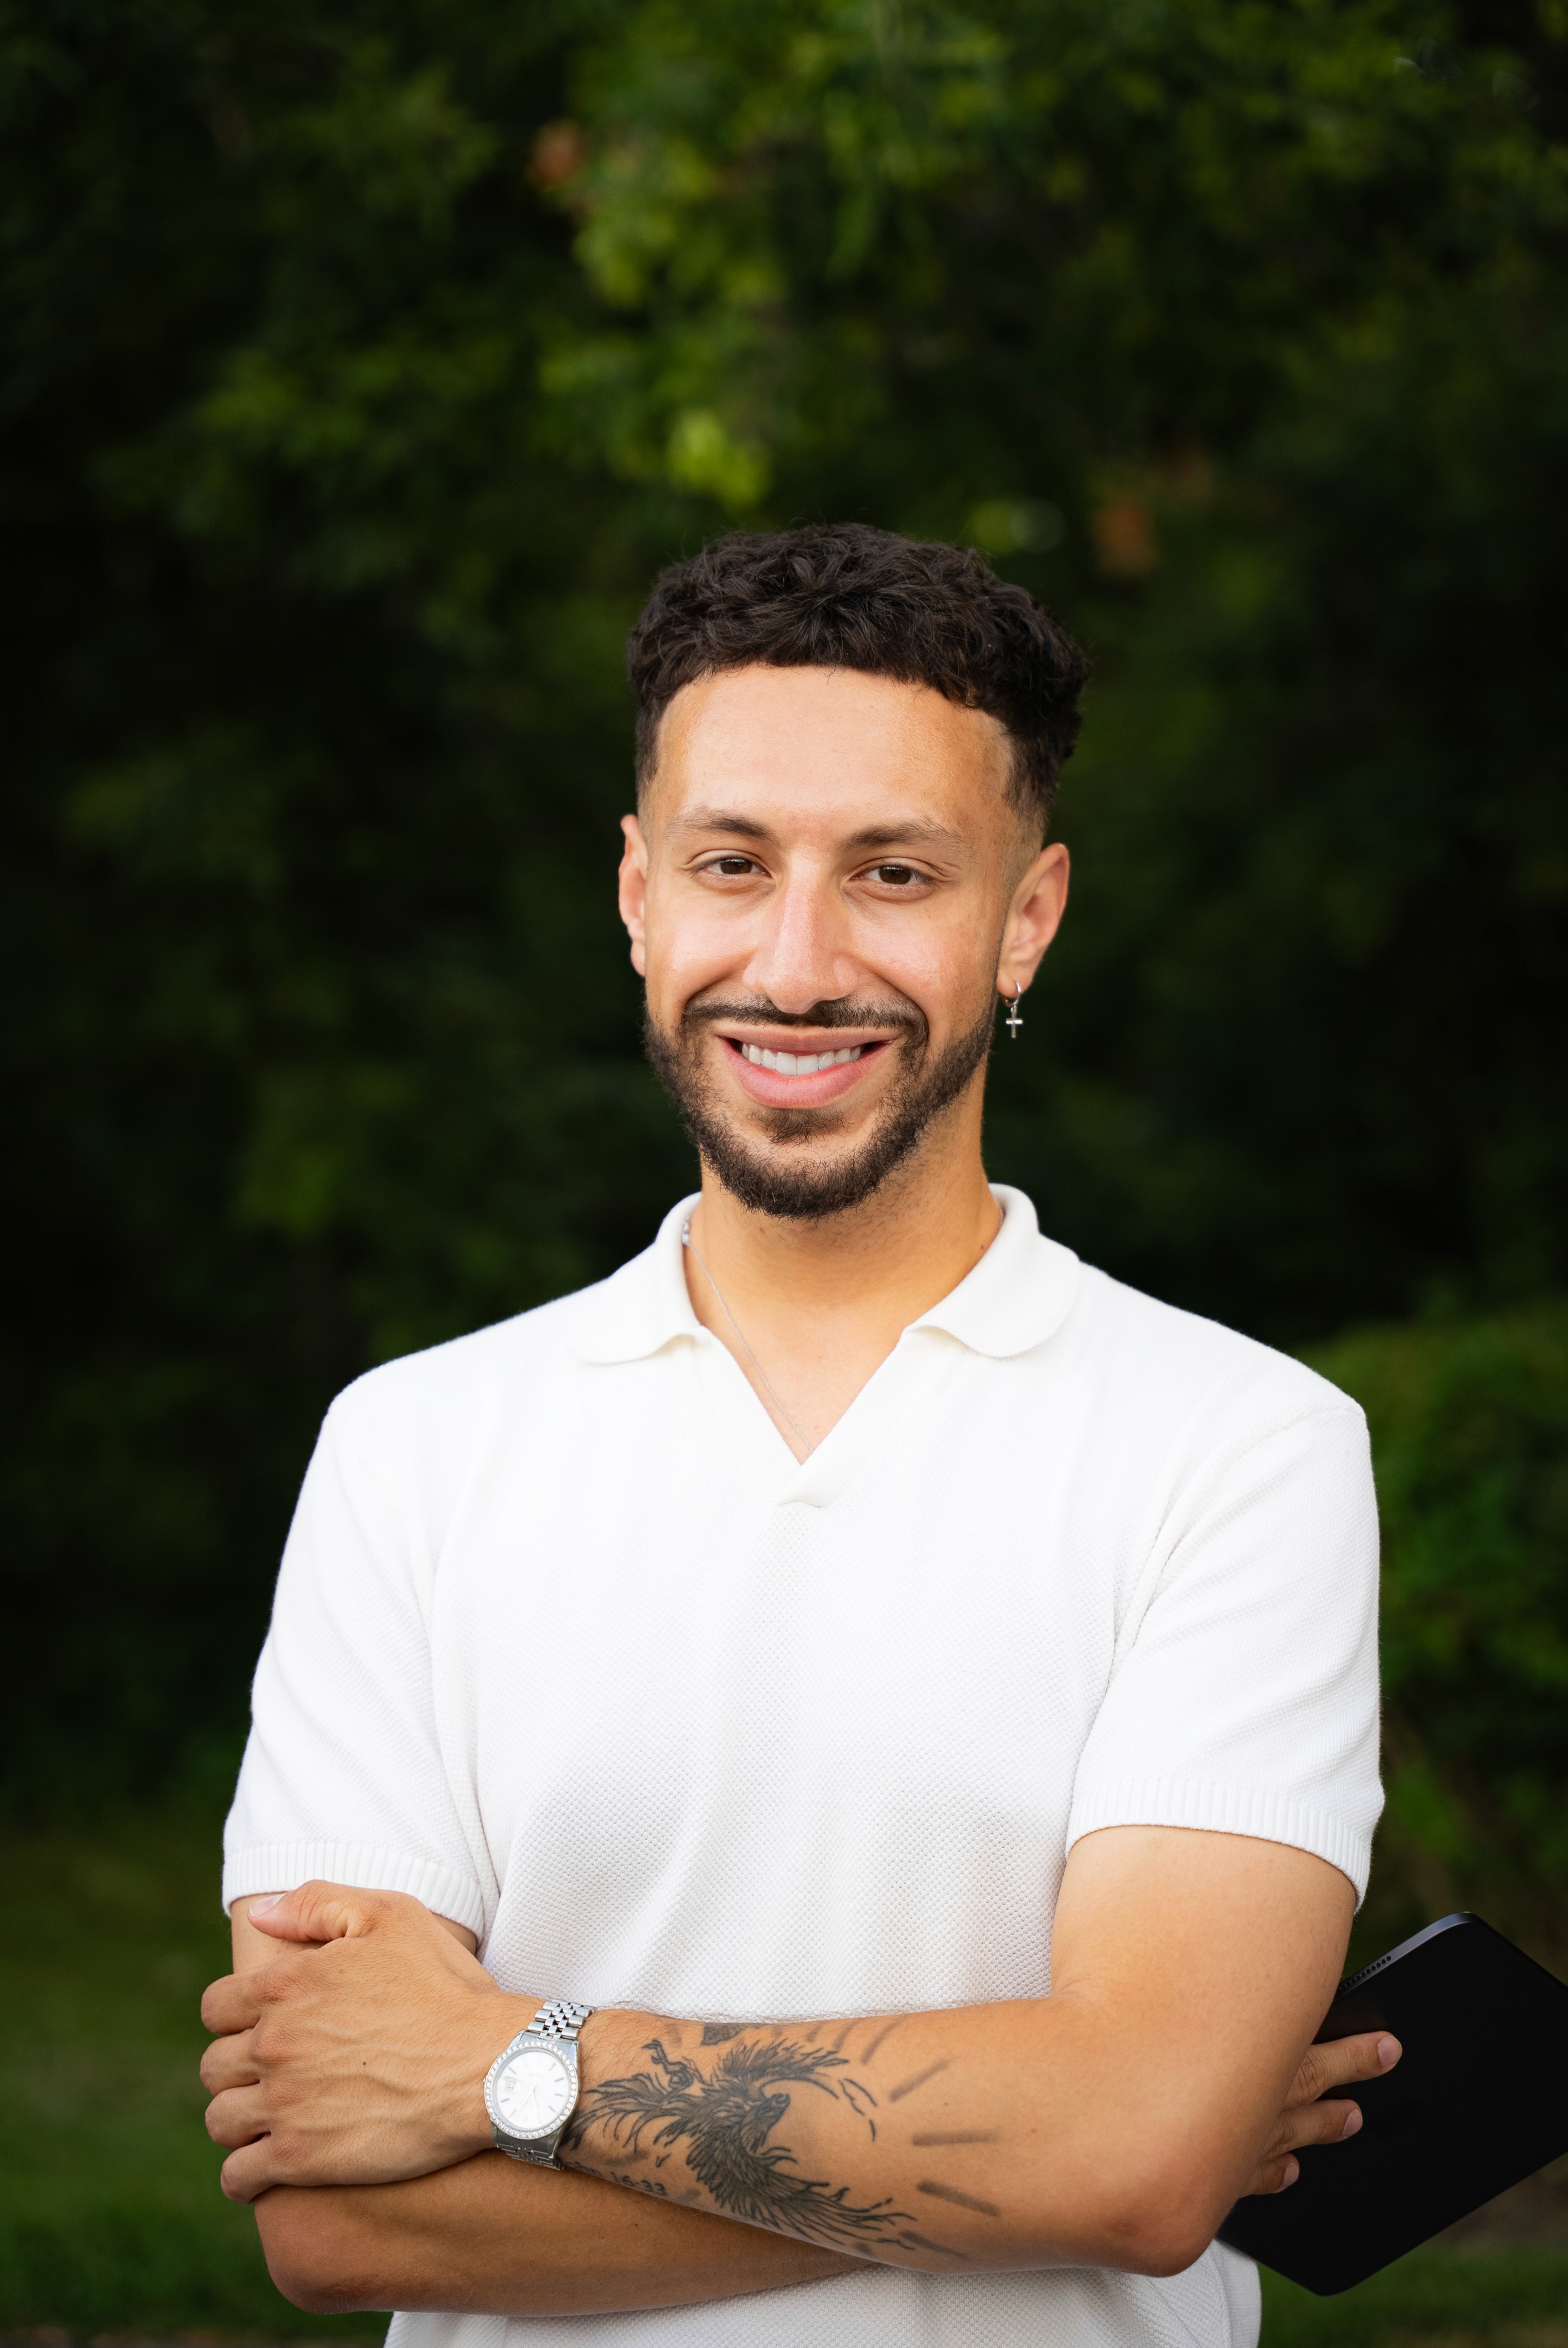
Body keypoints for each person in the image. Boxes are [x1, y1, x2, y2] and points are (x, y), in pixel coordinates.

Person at [202, 525, 1394, 2348]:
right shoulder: (413, 1450)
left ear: (1030, 915)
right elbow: (343, 2228)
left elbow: (1144, 2157)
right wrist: (1045, 2159)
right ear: (635, 895)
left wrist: (507, 2069)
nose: (799, 960)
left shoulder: (1242, 1448)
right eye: (732, 864)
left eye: (895, 872)